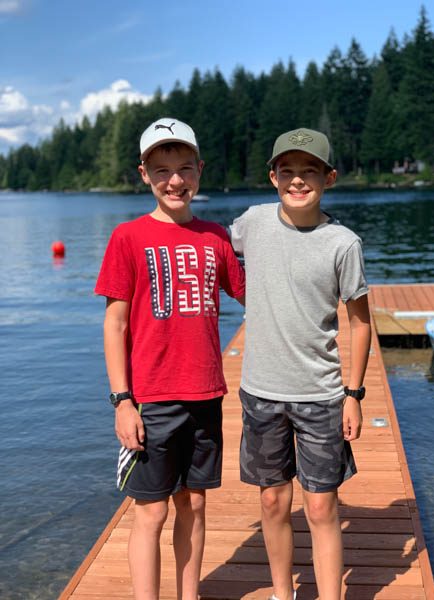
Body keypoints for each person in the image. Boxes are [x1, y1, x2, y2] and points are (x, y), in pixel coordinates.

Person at [95, 117, 245, 600]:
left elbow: (256, 295)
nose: (174, 180)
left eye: (184, 168)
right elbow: (115, 325)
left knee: (194, 505)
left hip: (205, 392)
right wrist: (122, 401)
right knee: (152, 510)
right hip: (151, 398)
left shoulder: (216, 237)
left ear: (200, 170)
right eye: (162, 170)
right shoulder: (128, 237)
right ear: (144, 174)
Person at [230, 127, 371, 600]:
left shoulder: (343, 243)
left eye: (309, 171)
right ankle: (281, 593)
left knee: (321, 507)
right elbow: (213, 251)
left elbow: (360, 324)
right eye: (287, 170)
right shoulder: (252, 223)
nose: (297, 180)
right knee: (273, 501)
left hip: (322, 396)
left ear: (328, 178)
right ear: (272, 177)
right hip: (261, 393)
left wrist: (354, 395)